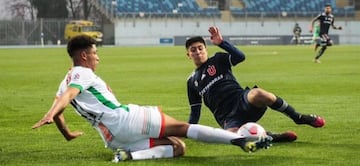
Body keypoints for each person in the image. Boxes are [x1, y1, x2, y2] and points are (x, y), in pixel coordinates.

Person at [32, 35, 271, 163]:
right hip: (127, 119)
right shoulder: (81, 74)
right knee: (185, 129)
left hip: (112, 137)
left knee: (178, 148)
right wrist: (50, 115)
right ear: (84, 56)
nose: (98, 58)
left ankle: (129, 156)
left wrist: (66, 133)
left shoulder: (64, 80)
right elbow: (69, 96)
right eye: (95, 53)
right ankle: (238, 141)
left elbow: (61, 101)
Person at [185, 27, 325, 143]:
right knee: (233, 137)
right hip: (227, 117)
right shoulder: (191, 81)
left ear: (206, 49)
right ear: (188, 55)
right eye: (193, 50)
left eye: (200, 48)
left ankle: (298, 118)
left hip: (242, 100)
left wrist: (222, 43)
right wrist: (188, 131)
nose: (198, 52)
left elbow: (240, 57)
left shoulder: (218, 59)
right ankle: (271, 137)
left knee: (258, 93)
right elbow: (195, 111)